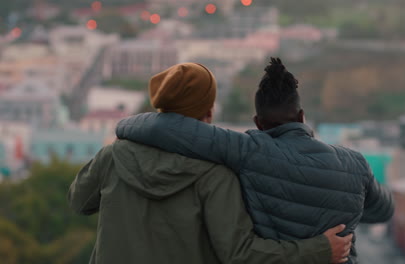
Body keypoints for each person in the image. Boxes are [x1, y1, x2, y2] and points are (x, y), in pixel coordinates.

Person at [69, 62, 353, 264]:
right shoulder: (215, 175)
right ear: (208, 110)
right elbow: (240, 254)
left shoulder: (113, 156)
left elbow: (79, 202)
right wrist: (318, 251)